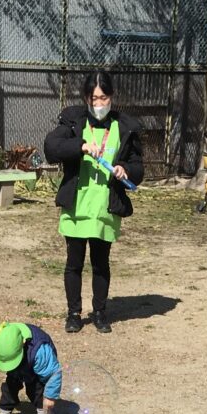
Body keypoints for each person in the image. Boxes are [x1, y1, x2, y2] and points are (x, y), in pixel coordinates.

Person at [43, 70, 143, 335]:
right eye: (93, 98)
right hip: (77, 206)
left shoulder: (124, 127)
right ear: (86, 98)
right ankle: (73, 314)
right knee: (74, 263)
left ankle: (100, 312)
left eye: (103, 98)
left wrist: (125, 169)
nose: (99, 104)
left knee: (101, 263)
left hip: (105, 207)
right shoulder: (73, 121)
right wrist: (81, 146)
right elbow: (51, 147)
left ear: (112, 97)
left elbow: (138, 166)